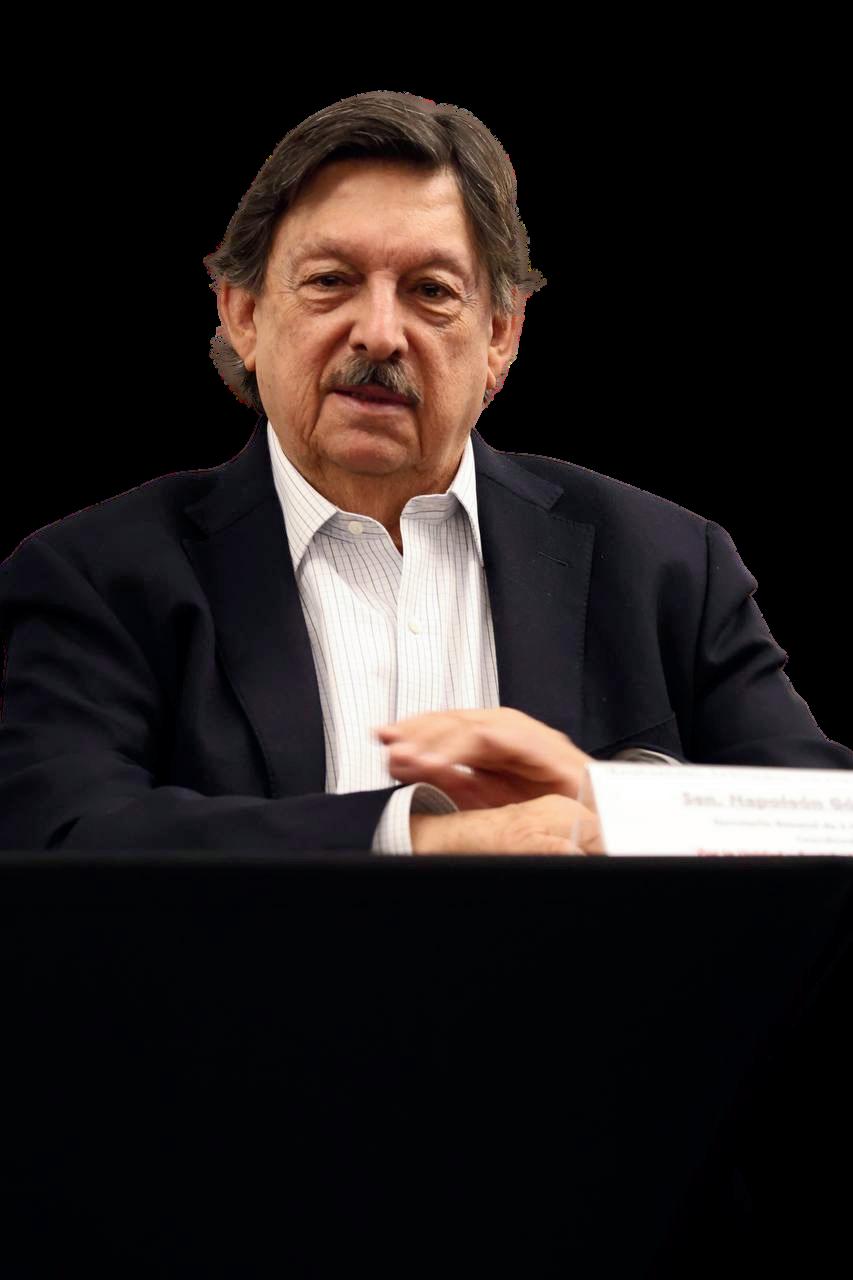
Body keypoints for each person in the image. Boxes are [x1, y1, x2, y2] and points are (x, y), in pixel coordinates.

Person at [0, 92, 849, 856]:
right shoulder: (97, 577)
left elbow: (828, 822)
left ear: (500, 338)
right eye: (331, 281)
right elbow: (56, 838)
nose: (379, 332)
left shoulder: (667, 563)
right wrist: (417, 837)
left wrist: (611, 802)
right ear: (245, 315)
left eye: (431, 291)